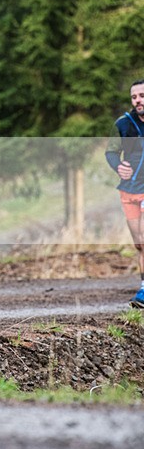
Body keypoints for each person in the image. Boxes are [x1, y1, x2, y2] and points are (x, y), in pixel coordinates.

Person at [106, 79, 144, 308]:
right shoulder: (123, 123)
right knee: (139, 244)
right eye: (134, 97)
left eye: (142, 95)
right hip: (129, 191)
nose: (138, 100)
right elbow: (111, 152)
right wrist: (119, 166)